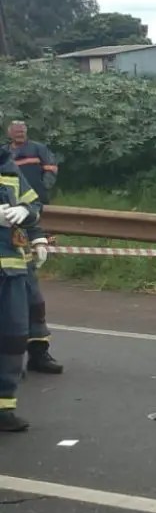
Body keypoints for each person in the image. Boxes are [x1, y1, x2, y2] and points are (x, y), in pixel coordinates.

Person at [8, 121, 61, 375]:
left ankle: (38, 354)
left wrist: (38, 236)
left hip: (16, 254)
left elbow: (29, 203)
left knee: (33, 303)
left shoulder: (7, 164)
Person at [0, 144, 44, 431]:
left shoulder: (8, 167)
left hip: (12, 272)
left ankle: (4, 407)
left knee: (13, 340)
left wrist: (27, 218)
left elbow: (34, 205)